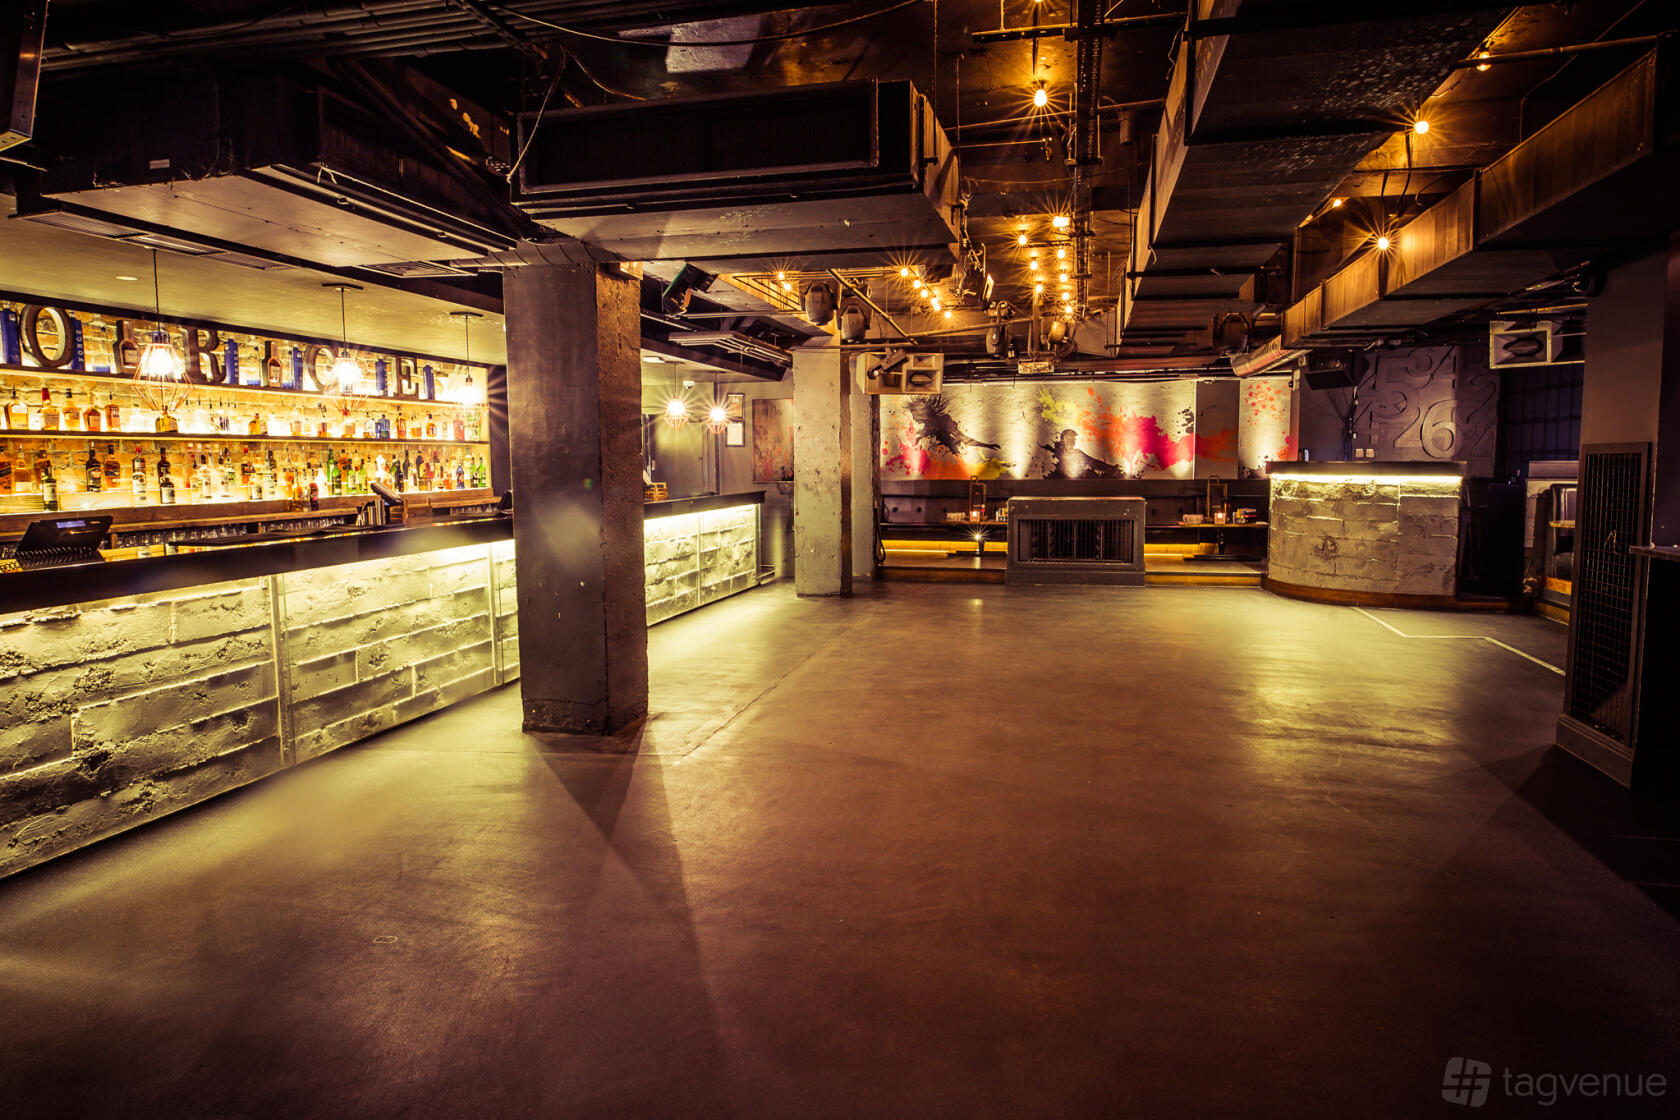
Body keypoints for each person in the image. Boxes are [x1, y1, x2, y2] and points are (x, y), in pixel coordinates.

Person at [1041, 428, 1120, 479]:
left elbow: (1092, 462)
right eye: (1072, 438)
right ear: (1066, 439)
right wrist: (1110, 469)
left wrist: (1109, 469)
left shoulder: (1073, 452)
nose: (1074, 440)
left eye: (1074, 438)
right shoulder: (1073, 453)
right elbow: (1092, 463)